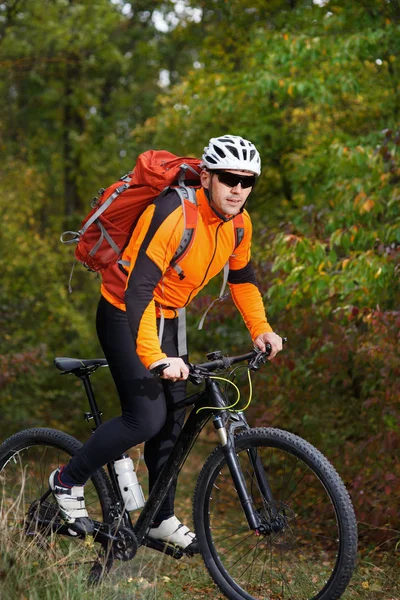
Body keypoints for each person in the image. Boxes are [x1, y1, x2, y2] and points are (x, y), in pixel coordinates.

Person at [49, 134, 283, 550]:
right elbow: (138, 289)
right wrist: (154, 357)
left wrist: (260, 329)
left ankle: (159, 518)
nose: (238, 189)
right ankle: (66, 481)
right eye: (229, 178)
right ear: (208, 176)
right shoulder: (175, 212)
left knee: (173, 418)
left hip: (169, 317)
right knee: (146, 418)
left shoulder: (239, 223)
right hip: (125, 309)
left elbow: (243, 280)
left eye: (249, 182)